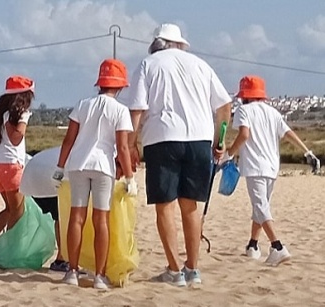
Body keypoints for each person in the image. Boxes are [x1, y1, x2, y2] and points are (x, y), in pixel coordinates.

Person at [125, 23, 232, 286]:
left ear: (157, 43)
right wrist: (220, 140)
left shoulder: (149, 64)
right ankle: (192, 268)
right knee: (190, 206)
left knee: (165, 206)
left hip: (162, 137)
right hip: (199, 138)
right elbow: (224, 106)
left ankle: (174, 270)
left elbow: (137, 109)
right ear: (179, 43)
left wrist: (130, 144)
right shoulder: (200, 65)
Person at [52, 59, 136, 290]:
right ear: (119, 87)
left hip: (78, 164)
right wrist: (129, 177)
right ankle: (99, 275)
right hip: (102, 167)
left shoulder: (83, 104)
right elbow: (123, 147)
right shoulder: (120, 110)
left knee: (76, 218)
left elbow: (69, 139)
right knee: (101, 220)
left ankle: (72, 271)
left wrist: (60, 168)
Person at [226, 75, 320, 266]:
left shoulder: (244, 110)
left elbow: (244, 135)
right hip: (271, 167)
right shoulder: (273, 112)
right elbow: (288, 134)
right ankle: (252, 245)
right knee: (261, 206)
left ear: (245, 95)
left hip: (255, 166)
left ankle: (277, 247)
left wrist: (229, 154)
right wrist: (307, 151)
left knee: (261, 207)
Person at [0, 75, 34, 255]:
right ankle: (10, 249)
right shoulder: (19, 113)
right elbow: (16, 138)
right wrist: (16, 124)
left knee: (10, 208)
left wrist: (0, 147)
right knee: (18, 210)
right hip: (12, 166)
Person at [19, 147, 69, 272]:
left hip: (31, 177)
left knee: (61, 218)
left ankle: (63, 257)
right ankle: (62, 259)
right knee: (63, 218)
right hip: (44, 178)